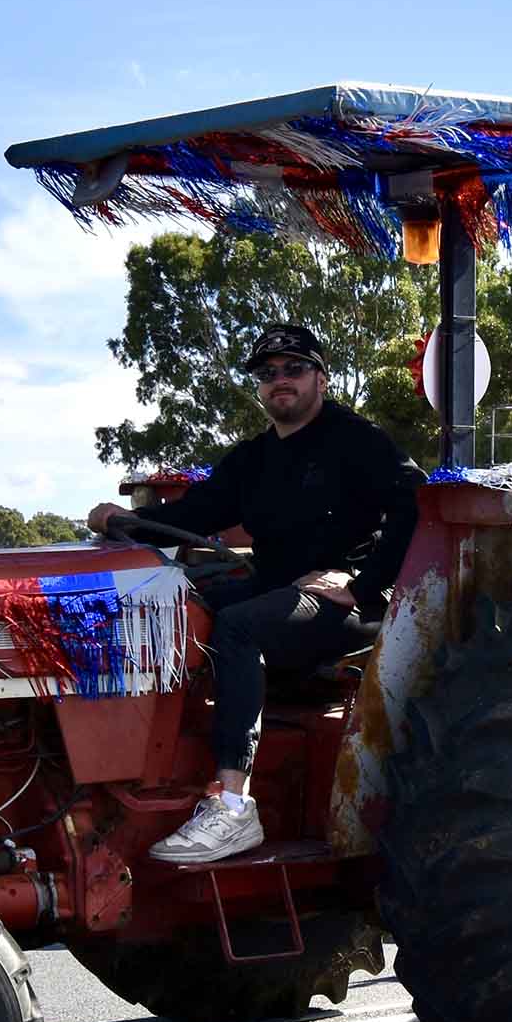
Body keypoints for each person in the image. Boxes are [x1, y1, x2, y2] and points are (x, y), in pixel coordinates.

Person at [86, 325, 422, 863]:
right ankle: (139, 768)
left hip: (342, 606)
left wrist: (363, 584)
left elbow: (415, 504)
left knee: (240, 625)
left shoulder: (356, 440)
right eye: (267, 374)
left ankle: (233, 806)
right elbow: (196, 515)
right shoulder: (254, 459)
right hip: (274, 589)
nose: (279, 381)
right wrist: (126, 520)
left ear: (321, 377)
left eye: (293, 369)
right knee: (171, 602)